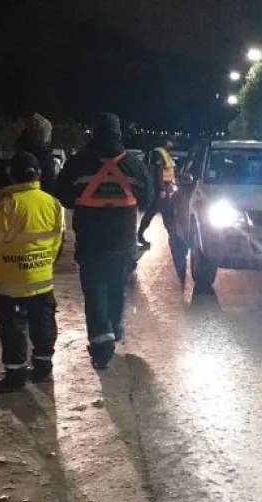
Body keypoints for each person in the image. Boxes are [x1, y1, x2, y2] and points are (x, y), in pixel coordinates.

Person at [53, 113, 153, 369]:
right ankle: (114, 327)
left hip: (91, 240)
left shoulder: (78, 164)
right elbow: (148, 196)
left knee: (95, 288)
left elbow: (62, 194)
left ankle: (101, 342)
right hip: (122, 240)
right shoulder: (133, 164)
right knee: (117, 285)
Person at [0, 152, 63, 392]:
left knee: (13, 330)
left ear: (12, 174)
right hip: (42, 281)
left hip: (10, 284)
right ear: (38, 174)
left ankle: (16, 375)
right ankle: (42, 366)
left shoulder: (6, 204)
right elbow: (56, 241)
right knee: (43, 325)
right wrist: (42, 263)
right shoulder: (52, 203)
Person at [137, 137, 177, 248]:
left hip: (163, 187)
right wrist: (163, 188)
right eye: (170, 141)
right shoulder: (159, 153)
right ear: (165, 142)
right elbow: (158, 171)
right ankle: (173, 238)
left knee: (154, 213)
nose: (172, 144)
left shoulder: (164, 153)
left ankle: (140, 236)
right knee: (164, 213)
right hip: (160, 188)